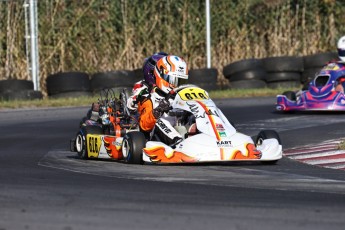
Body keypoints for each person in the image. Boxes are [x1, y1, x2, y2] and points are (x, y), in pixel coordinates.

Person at [127, 53, 189, 147]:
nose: (177, 85)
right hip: (153, 136)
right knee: (160, 121)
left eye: (181, 82)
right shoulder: (148, 96)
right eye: (174, 81)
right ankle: (178, 143)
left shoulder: (181, 96)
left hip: (178, 128)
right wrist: (158, 111)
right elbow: (144, 125)